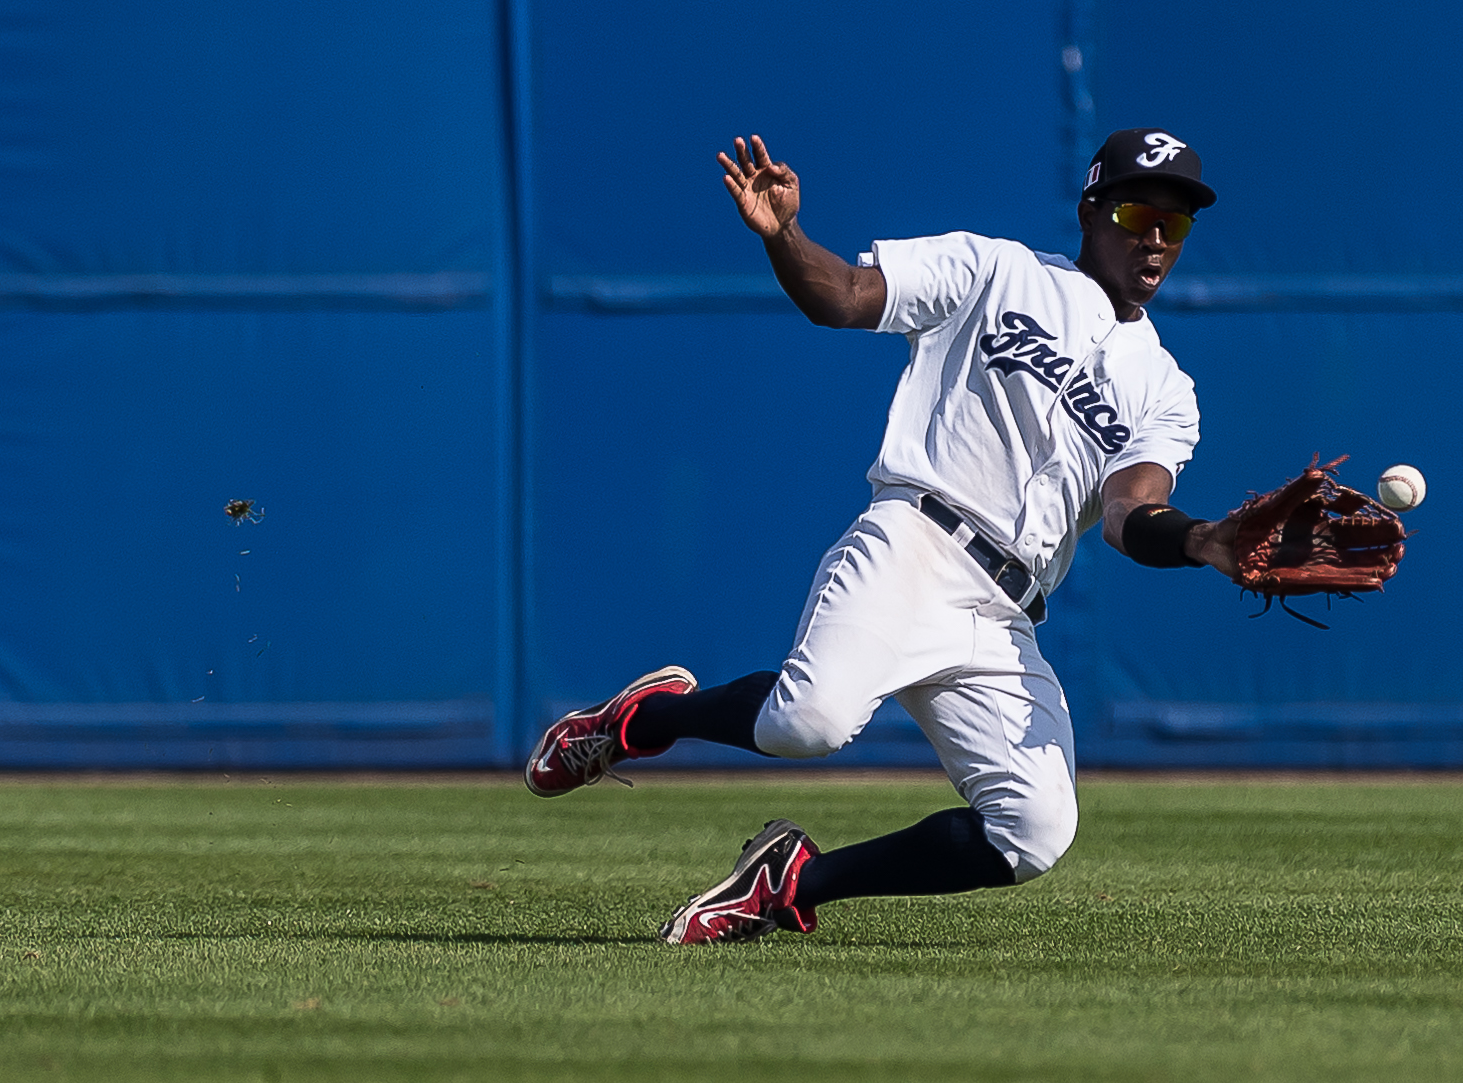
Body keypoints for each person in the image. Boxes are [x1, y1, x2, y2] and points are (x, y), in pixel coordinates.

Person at [526, 128, 1245, 944]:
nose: (1155, 236)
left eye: (1175, 224)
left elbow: (1127, 509)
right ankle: (647, 719)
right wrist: (785, 235)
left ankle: (794, 881)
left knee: (1034, 830)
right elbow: (841, 295)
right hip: (916, 539)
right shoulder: (996, 269)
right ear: (1090, 210)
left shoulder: (1166, 389)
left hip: (1003, 615)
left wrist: (1202, 540)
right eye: (1137, 210)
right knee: (807, 725)